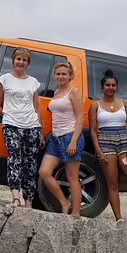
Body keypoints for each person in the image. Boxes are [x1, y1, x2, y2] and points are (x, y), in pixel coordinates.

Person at [88, 70, 127, 221]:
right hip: (106, 144)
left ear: (117, 87)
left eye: (113, 85)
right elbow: (93, 130)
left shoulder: (124, 103)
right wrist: (98, 151)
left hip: (124, 144)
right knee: (112, 184)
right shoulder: (96, 105)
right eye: (107, 85)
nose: (110, 87)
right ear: (103, 87)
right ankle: (119, 219)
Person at [0, 48, 44, 207]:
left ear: (28, 63)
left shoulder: (33, 82)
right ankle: (16, 196)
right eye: (18, 59)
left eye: (24, 60)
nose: (20, 62)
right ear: (13, 61)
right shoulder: (5, 79)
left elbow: (37, 107)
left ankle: (28, 202)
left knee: (30, 164)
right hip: (12, 125)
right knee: (14, 159)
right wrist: (9, 116)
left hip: (32, 126)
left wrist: (40, 131)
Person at [39, 62, 84, 216]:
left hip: (70, 137)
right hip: (55, 139)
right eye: (58, 74)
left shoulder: (73, 92)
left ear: (70, 76)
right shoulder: (57, 92)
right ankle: (64, 202)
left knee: (72, 177)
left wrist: (73, 141)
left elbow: (80, 118)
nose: (60, 76)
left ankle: (76, 214)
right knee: (44, 172)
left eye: (64, 74)